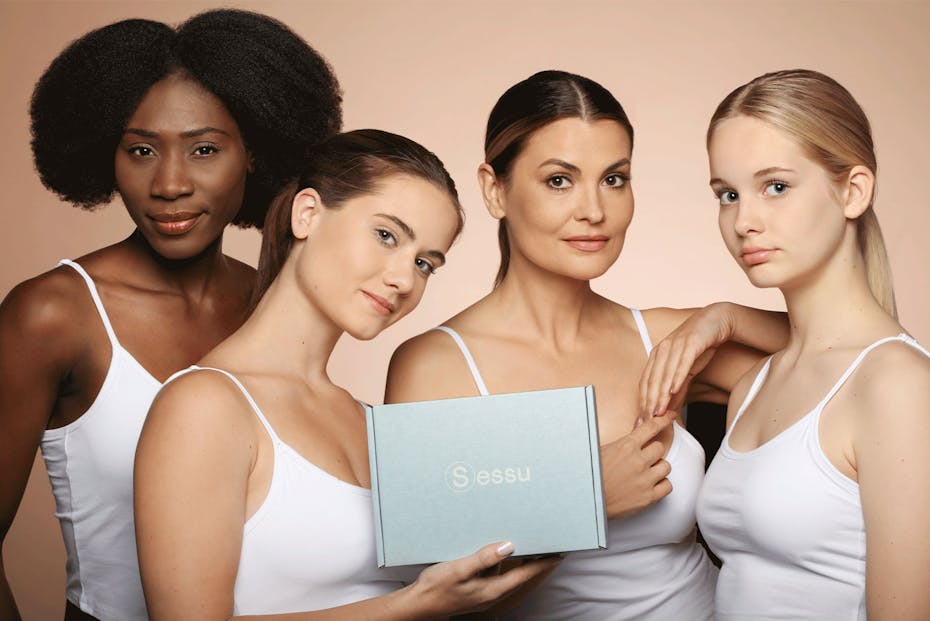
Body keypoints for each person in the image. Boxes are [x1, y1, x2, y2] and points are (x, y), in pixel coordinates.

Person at [385, 70, 787, 620]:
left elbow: (859, 351)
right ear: (494, 189)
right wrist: (584, 495)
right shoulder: (437, 364)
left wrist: (725, 318)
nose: (594, 211)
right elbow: (437, 597)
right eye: (559, 180)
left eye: (614, 179)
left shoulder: (667, 339)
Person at [133, 129, 559, 620]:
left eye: (425, 263)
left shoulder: (375, 423)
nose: (404, 279)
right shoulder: (204, 405)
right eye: (386, 236)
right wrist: (415, 604)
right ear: (307, 214)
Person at [0, 10, 341, 621]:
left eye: (205, 149)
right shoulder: (52, 315)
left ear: (255, 154)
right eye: (140, 150)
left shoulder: (271, 301)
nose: (170, 183)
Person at [685, 69, 930, 620]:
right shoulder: (752, 385)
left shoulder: (897, 385)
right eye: (728, 194)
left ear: (853, 190)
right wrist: (721, 319)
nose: (744, 220)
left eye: (776, 186)